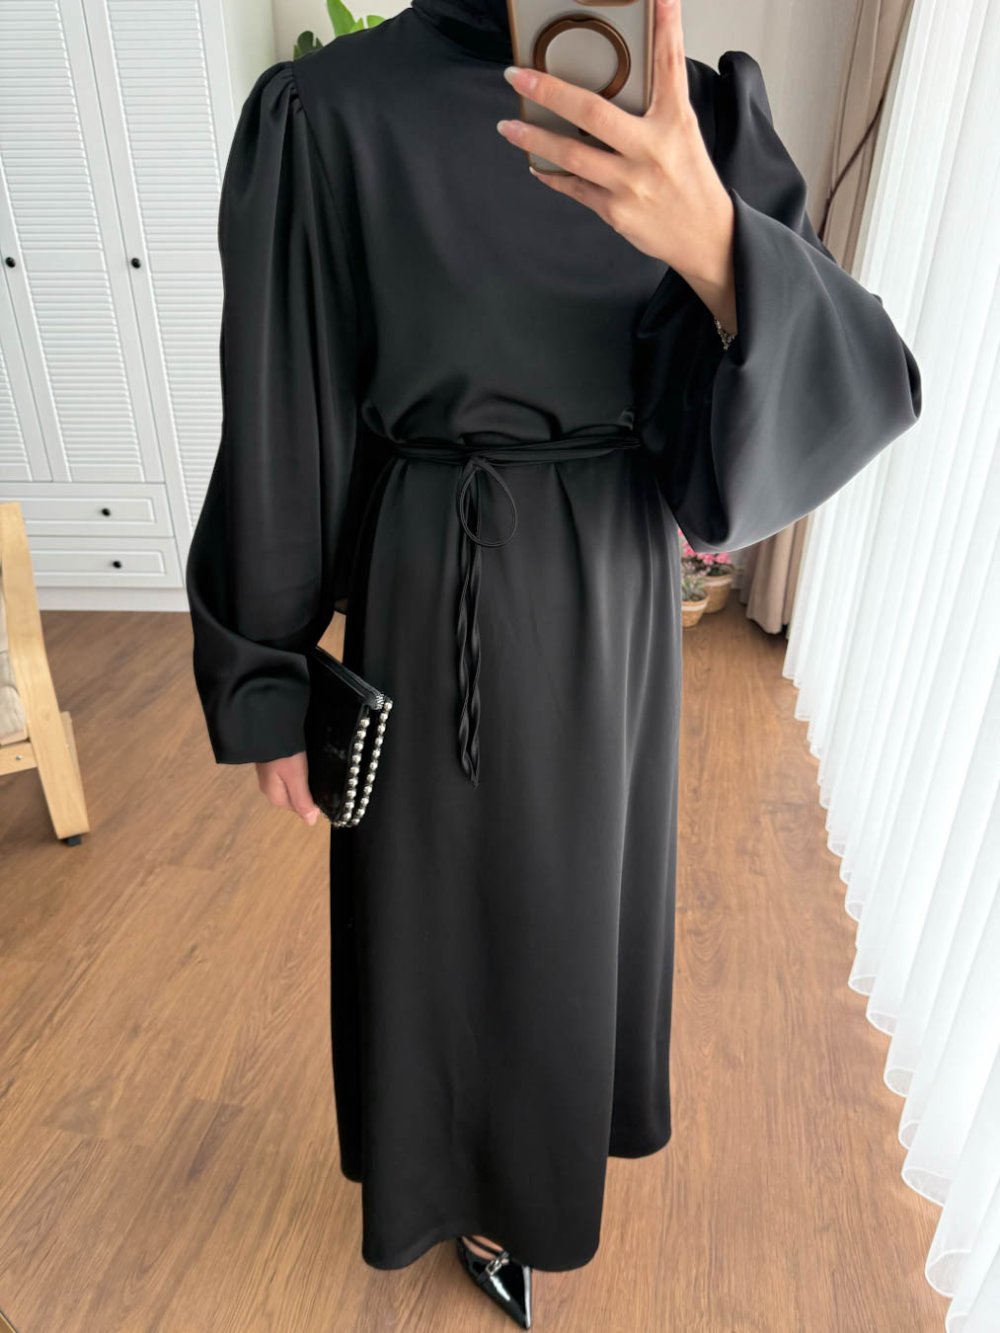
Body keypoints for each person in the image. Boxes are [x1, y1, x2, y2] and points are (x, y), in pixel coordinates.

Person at [185, 0, 922, 1323]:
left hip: (613, 579)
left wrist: (716, 245)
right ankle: (455, 1187)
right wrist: (267, 670)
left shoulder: (695, 116)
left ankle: (534, 1176)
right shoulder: (333, 112)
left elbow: (844, 385)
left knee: (575, 900)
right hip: (430, 568)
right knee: (438, 916)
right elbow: (285, 409)